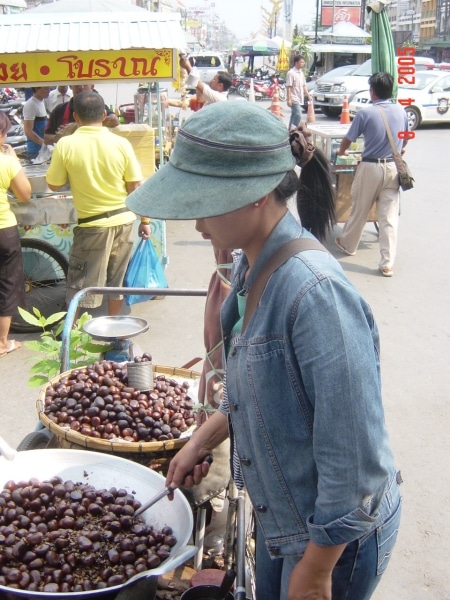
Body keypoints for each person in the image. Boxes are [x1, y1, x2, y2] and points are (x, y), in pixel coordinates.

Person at [126, 101, 402, 600]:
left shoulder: (315, 295)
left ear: (254, 197)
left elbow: (355, 458)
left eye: (203, 207)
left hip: (331, 540)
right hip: (288, 519)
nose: (197, 227)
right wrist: (200, 441)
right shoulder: (249, 267)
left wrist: (316, 572)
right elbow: (263, 390)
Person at [46, 91, 145, 316]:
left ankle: (73, 337)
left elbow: (53, 184)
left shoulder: (66, 144)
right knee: (116, 283)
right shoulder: (121, 143)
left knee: (82, 285)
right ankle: (114, 333)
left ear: (75, 117)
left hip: (93, 226)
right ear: (103, 114)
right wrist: (145, 220)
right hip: (125, 221)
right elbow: (135, 186)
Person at [335, 72, 409, 277]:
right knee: (389, 217)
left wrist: (341, 152)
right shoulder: (401, 111)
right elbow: (404, 142)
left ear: (372, 91)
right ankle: (387, 263)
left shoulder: (365, 113)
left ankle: (349, 245)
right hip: (393, 168)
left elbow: (348, 139)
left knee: (360, 207)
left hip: (370, 167)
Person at [0, 111, 32, 357]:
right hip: (3, 231)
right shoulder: (6, 162)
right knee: (7, 283)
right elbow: (25, 194)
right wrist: (14, 160)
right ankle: (2, 342)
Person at [44, 84, 119, 146]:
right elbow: (46, 138)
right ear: (71, 86)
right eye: (77, 84)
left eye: (85, 84)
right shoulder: (59, 110)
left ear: (92, 86)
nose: (81, 87)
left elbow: (114, 120)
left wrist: (75, 126)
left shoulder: (99, 106)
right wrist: (57, 137)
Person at [22, 86, 50, 159]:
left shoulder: (42, 102)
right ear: (37, 88)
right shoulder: (30, 104)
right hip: (35, 151)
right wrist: (44, 143)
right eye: (46, 88)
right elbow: (28, 131)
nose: (49, 91)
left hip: (43, 150)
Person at [286, 55, 312, 130]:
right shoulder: (291, 73)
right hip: (293, 98)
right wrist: (289, 99)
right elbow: (289, 87)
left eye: (303, 62)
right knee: (298, 115)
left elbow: (304, 86)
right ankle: (293, 130)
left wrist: (308, 95)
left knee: (294, 115)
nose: (303, 64)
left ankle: (289, 131)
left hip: (299, 97)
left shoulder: (301, 73)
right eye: (301, 62)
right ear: (296, 63)